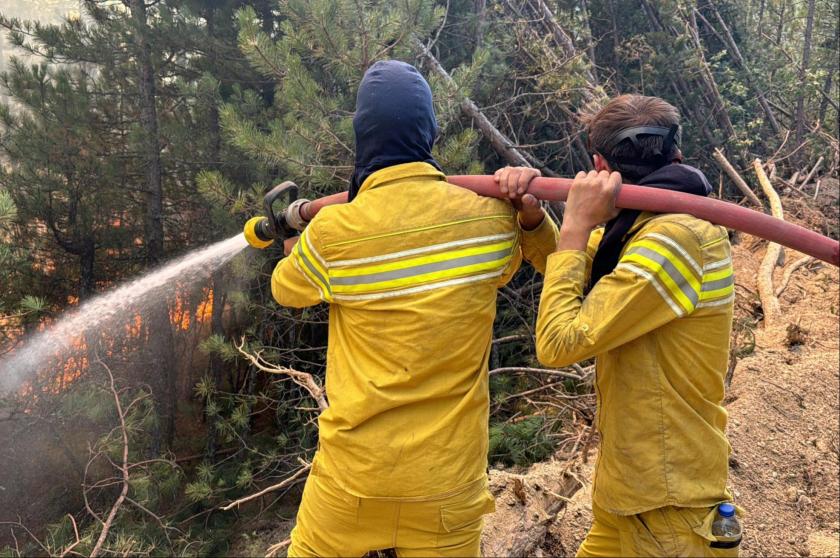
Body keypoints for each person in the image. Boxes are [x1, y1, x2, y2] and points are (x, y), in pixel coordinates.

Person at [271, 60, 559, 557]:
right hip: (446, 488)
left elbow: (286, 289)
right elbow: (557, 260)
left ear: (364, 136)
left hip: (351, 483)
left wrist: (295, 238)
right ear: (429, 131)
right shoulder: (490, 221)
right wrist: (531, 214)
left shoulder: (332, 236)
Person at [497, 94, 740, 557]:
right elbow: (576, 268)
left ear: (599, 165)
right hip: (630, 496)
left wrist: (574, 226)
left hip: (670, 508)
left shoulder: (676, 239)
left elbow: (559, 341)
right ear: (679, 156)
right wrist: (532, 218)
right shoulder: (638, 230)